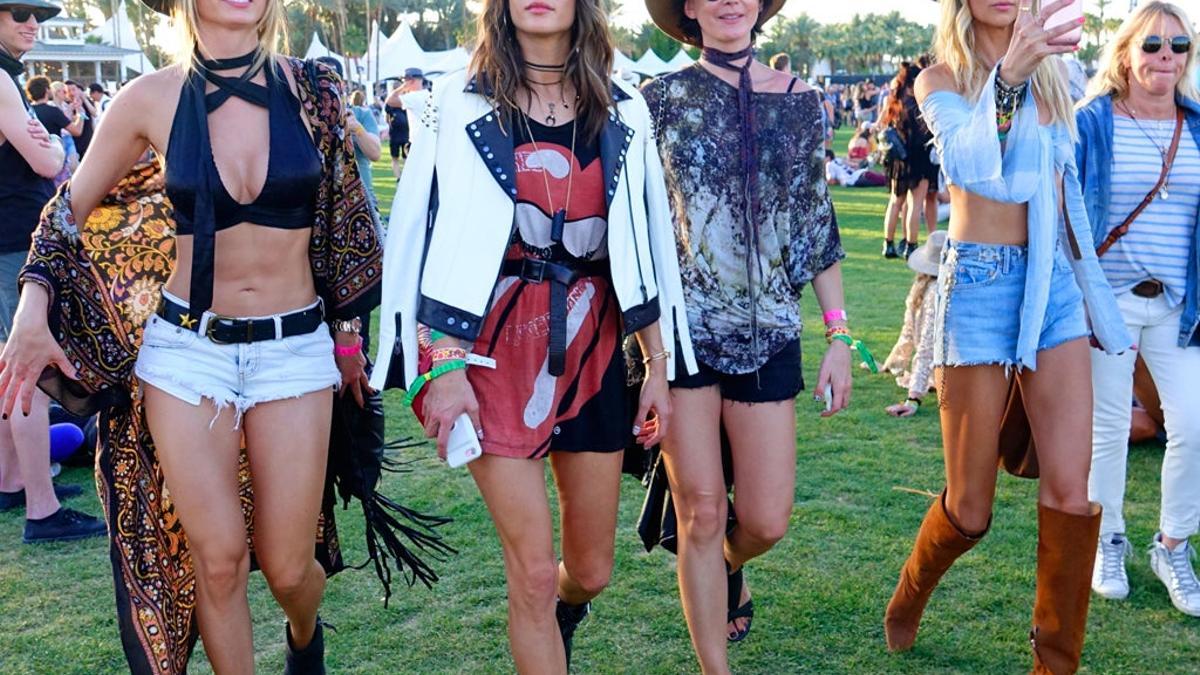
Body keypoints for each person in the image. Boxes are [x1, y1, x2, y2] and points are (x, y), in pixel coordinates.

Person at [0, 0, 403, 669]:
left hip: (293, 351)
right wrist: (31, 305)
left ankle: (305, 634)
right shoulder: (147, 98)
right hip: (185, 354)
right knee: (217, 561)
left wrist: (349, 344)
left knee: (287, 567)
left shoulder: (315, 90)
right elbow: (64, 215)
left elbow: (342, 230)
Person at [372, 0, 693, 670]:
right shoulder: (451, 106)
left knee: (590, 568)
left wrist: (656, 364)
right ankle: (545, 617)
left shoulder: (626, 108)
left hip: (596, 347)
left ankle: (562, 616)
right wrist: (443, 366)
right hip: (486, 351)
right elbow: (427, 236)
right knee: (533, 575)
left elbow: (647, 246)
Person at [882, 1, 1132, 673]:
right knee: (970, 510)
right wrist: (1012, 79)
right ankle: (909, 593)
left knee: (1071, 494)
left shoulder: (1063, 74)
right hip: (980, 287)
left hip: (1051, 286)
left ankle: (1056, 661)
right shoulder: (938, 79)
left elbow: (1061, 181)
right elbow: (973, 167)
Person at [641, 0, 853, 671]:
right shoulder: (657, 100)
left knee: (764, 519)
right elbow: (639, 226)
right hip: (683, 335)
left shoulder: (800, 101)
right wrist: (645, 350)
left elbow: (816, 221)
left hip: (768, 331)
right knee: (701, 511)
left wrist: (839, 335)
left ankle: (732, 564)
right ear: (690, 9)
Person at [1075, 1, 1200, 617]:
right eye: (1152, 45)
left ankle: (1172, 544)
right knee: (1108, 432)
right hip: (1108, 304)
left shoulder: (1199, 125)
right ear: (1126, 52)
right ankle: (1108, 538)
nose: (1165, 57)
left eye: (1178, 46)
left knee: (1195, 428)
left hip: (1181, 305)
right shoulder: (1092, 122)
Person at [0, 0, 107, 545]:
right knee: (30, 372)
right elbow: (49, 163)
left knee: (9, 368)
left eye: (36, 14)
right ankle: (41, 510)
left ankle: (13, 480)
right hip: (15, 240)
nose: (30, 23)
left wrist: (42, 142)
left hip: (8, 236)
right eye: (16, 11)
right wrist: (45, 147)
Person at [882, 230, 947, 417]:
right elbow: (919, 339)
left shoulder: (925, 289)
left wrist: (913, 397)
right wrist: (913, 397)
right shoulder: (933, 291)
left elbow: (915, 338)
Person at [879, 62, 937, 260]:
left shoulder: (895, 102)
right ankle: (911, 245)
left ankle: (888, 244)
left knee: (895, 202)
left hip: (898, 160)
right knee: (915, 204)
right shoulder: (917, 105)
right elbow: (924, 134)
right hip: (918, 159)